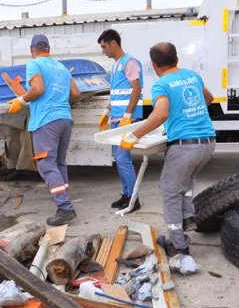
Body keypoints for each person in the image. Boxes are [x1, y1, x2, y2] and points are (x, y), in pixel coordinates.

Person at [120, 42, 215, 257]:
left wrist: (134, 135)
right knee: (187, 180)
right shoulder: (192, 76)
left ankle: (178, 245)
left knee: (170, 191)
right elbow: (208, 99)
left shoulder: (162, 84)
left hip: (185, 147)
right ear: (177, 58)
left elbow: (161, 114)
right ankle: (188, 217)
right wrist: (188, 114)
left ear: (154, 65)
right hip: (207, 142)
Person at [8, 34, 81, 226]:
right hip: (64, 119)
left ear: (32, 50)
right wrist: (58, 103)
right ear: (48, 48)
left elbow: (38, 89)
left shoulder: (35, 64)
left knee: (46, 165)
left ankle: (65, 208)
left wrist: (21, 100)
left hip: (46, 121)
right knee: (59, 164)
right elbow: (75, 93)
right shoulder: (61, 67)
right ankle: (62, 203)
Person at [97, 29, 144, 212]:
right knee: (119, 158)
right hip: (118, 117)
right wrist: (107, 111)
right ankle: (126, 194)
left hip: (127, 118)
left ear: (113, 43)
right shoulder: (116, 65)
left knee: (123, 159)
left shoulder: (129, 62)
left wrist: (127, 114)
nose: (103, 51)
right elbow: (117, 92)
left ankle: (134, 199)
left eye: (104, 46)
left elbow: (136, 88)